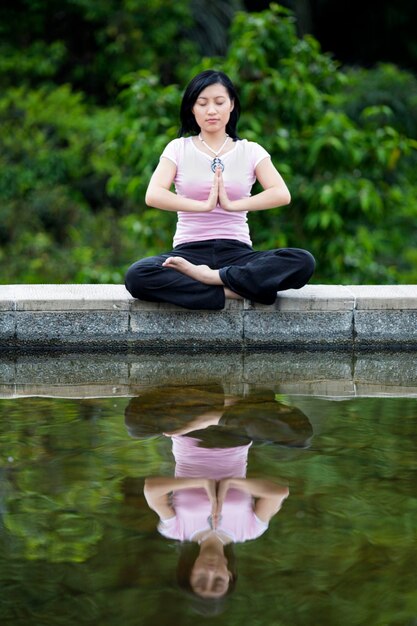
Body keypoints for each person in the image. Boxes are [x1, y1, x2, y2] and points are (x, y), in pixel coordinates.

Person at [125, 69, 315, 310]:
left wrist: (233, 205)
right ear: (192, 108)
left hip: (237, 253)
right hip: (189, 253)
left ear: (232, 105)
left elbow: (281, 193)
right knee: (137, 275)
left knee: (302, 261)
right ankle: (233, 290)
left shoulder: (251, 150)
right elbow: (154, 194)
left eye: (219, 102)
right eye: (202, 103)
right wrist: (203, 206)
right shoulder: (178, 148)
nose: (211, 110)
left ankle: (212, 279)